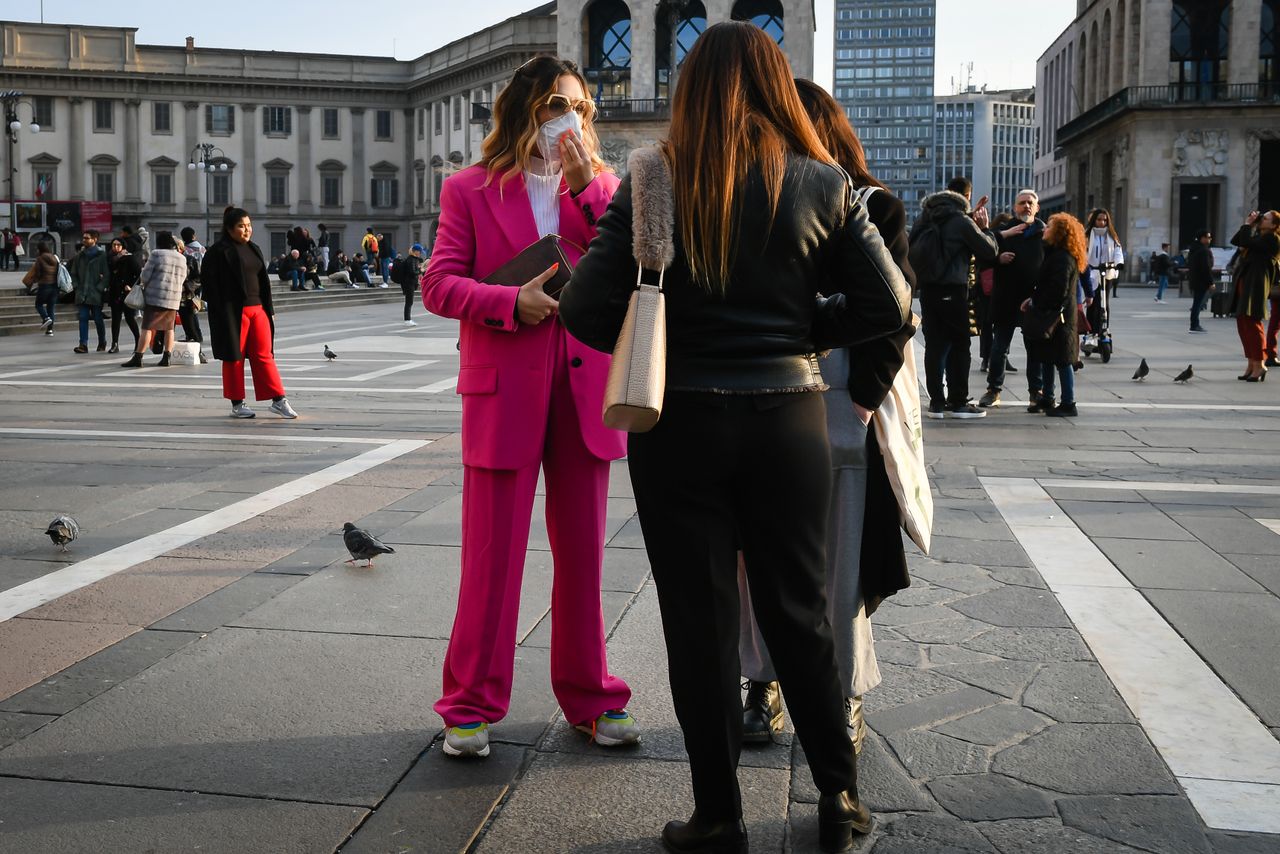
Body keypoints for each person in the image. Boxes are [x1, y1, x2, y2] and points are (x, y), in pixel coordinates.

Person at [560, 23, 910, 853]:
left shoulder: (651, 181)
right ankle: (839, 797)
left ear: (689, 93)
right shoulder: (823, 182)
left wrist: (667, 326)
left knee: (700, 621)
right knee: (802, 615)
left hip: (677, 423)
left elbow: (582, 309)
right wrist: (808, 328)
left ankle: (718, 815)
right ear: (775, 88)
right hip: (788, 419)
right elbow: (891, 305)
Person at [421, 54, 638, 762]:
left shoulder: (605, 188)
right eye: (552, 106)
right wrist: (510, 301)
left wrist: (590, 191)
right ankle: (471, 705)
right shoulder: (469, 190)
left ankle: (592, 695)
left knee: (582, 557)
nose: (566, 121)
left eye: (576, 107)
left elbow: (639, 266)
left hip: (585, 391)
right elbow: (439, 285)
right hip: (503, 389)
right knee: (491, 560)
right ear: (524, 112)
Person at [736, 77, 915, 754]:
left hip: (840, 401)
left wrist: (863, 399)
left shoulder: (871, 204)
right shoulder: (752, 204)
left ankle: (842, 693)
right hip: (762, 398)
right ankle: (763, 679)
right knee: (754, 552)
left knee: (839, 560)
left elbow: (895, 313)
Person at [912, 176, 998, 419]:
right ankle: (959, 402)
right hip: (953, 289)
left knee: (935, 346)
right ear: (967, 197)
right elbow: (989, 251)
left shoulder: (924, 218)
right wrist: (985, 229)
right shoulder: (961, 221)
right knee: (960, 344)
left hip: (928, 291)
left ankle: (937, 403)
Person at [201, 206, 299, 418]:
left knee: (265, 355)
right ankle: (237, 404)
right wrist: (221, 312)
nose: (247, 230)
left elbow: (263, 282)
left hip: (258, 310)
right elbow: (209, 286)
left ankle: (278, 399)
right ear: (229, 229)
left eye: (248, 226)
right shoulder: (217, 252)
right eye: (241, 226)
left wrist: (269, 309)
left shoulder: (254, 248)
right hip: (232, 311)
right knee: (233, 357)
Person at [980, 190, 1045, 409]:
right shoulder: (1004, 232)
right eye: (1022, 203)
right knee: (999, 348)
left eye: (1030, 203)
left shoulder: (1044, 234)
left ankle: (1036, 391)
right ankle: (993, 390)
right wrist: (998, 258)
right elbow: (983, 258)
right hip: (1006, 298)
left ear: (1037, 207)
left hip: (1033, 300)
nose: (1026, 206)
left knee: (1034, 349)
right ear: (1014, 207)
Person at [1024, 214, 1087, 417]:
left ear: (1059, 232)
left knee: (1062, 360)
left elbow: (1057, 290)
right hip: (1053, 314)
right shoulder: (1055, 253)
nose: (1045, 229)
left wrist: (1036, 302)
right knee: (1047, 357)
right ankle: (1048, 397)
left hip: (1058, 317)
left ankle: (1068, 402)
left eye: (1050, 226)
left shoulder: (1062, 257)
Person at [121, 231, 185, 368]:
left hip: (156, 297)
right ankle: (167, 357)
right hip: (173, 298)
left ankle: (138, 357)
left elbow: (145, 276)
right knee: (169, 329)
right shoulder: (181, 258)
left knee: (147, 327)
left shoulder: (156, 254)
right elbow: (183, 277)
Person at [1229, 210, 1280, 382]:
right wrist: (1249, 225)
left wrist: (1248, 224)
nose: (1261, 219)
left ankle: (1260, 364)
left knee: (1252, 322)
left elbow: (1245, 241)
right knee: (1243, 322)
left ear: (1274, 225)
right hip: (1246, 281)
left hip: (1256, 283)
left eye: (1265, 218)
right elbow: (1236, 241)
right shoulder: (1259, 235)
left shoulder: (1272, 239)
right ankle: (1251, 363)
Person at [68, 229, 110, 354]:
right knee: (83, 317)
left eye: (87, 238)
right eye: (84, 238)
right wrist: (76, 286)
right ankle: (83, 344)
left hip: (95, 293)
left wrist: (100, 287)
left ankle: (102, 341)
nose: (84, 240)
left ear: (95, 239)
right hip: (82, 292)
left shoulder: (101, 255)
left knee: (98, 318)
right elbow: (73, 273)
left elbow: (107, 275)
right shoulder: (79, 256)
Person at [105, 237, 143, 354]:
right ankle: (114, 344)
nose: (116, 247)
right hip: (115, 292)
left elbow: (138, 273)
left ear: (123, 246)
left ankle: (138, 341)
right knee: (115, 319)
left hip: (127, 293)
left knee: (129, 318)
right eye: (114, 245)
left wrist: (130, 285)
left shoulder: (129, 258)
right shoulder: (110, 258)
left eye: (118, 245)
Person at [23, 241, 60, 334]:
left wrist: (34, 280)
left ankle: (45, 317)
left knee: (38, 304)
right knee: (51, 307)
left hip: (45, 285)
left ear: (40, 249)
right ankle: (50, 330)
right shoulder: (54, 257)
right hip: (55, 285)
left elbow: (38, 273)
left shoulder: (40, 259)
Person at [1187, 231, 1214, 334]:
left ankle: (1194, 325)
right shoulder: (1203, 251)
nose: (1210, 239)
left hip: (1194, 280)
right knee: (1198, 304)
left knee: (1197, 304)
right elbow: (1206, 268)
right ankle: (1194, 325)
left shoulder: (1194, 249)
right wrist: (1211, 282)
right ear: (1202, 238)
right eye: (1208, 237)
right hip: (1201, 282)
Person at [394, 243, 426, 326]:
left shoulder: (413, 259)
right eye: (419, 251)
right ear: (415, 251)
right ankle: (407, 320)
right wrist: (421, 270)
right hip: (408, 283)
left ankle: (408, 319)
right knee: (409, 302)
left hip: (410, 282)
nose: (420, 253)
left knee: (409, 301)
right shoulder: (411, 259)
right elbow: (412, 272)